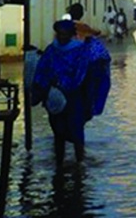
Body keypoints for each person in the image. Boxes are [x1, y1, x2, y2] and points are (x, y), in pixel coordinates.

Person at [32, 19, 111, 166]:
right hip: (55, 97)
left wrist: (65, 85)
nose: (61, 37)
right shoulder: (51, 50)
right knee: (57, 130)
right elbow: (42, 70)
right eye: (59, 34)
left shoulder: (80, 50)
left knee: (76, 129)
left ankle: (79, 162)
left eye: (64, 34)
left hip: (74, 97)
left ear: (70, 35)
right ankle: (60, 163)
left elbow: (83, 73)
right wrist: (44, 88)